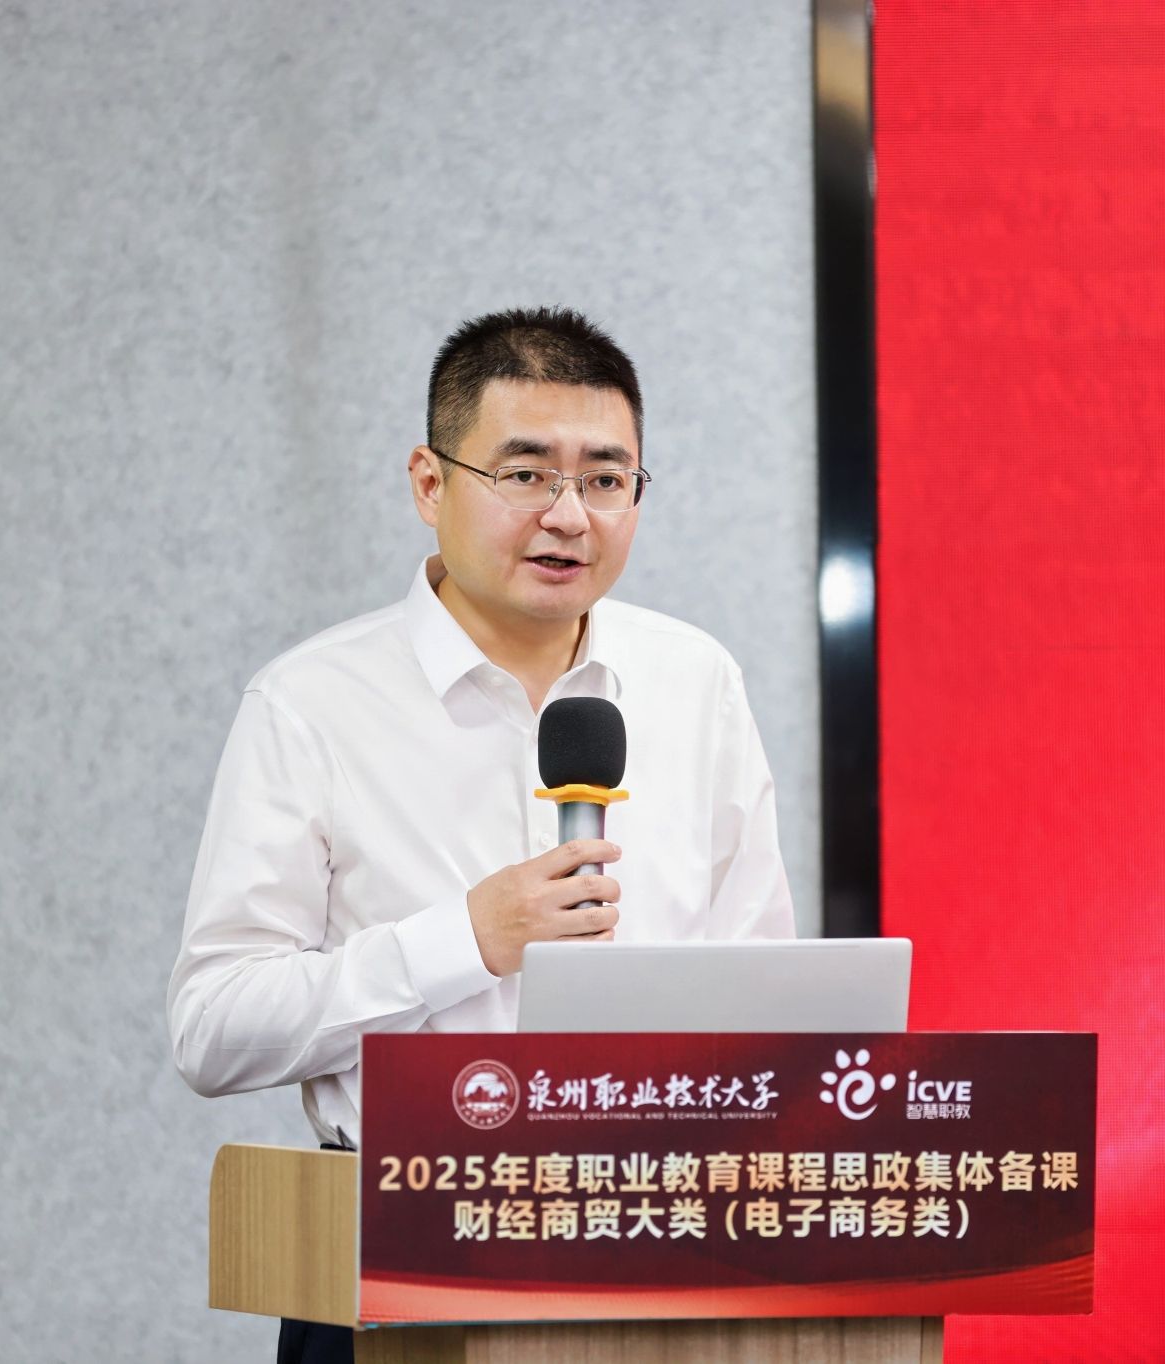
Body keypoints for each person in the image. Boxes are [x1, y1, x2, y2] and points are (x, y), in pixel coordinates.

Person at [166, 307, 795, 1363]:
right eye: (526, 474)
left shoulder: (696, 682)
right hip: (396, 1249)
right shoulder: (312, 703)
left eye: (605, 478)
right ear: (429, 483)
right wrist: (464, 938)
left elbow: (766, 995)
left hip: (658, 1249)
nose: (569, 515)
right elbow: (214, 1027)